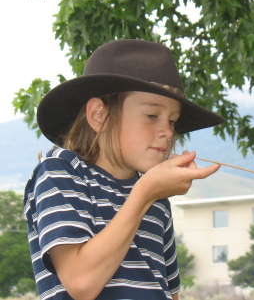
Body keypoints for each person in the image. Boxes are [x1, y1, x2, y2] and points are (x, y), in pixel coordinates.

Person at [23, 39, 224, 300]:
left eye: (173, 121)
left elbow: (170, 291)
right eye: (152, 116)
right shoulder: (61, 171)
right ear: (99, 116)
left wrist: (149, 193)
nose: (167, 131)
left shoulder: (157, 199)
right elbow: (81, 283)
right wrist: (144, 194)